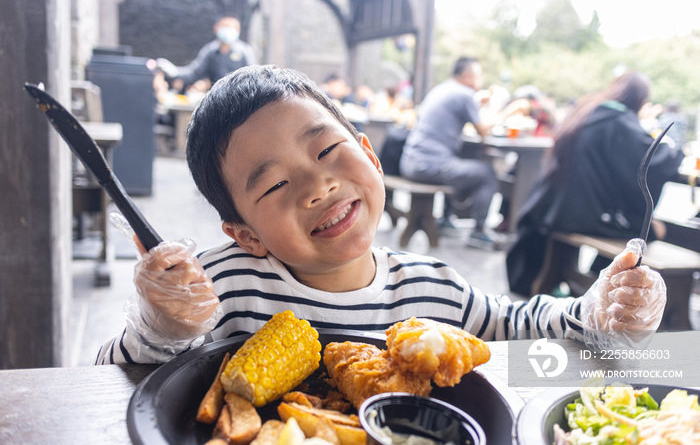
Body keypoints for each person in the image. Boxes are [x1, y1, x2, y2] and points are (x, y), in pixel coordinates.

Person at [94, 65, 666, 365]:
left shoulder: (434, 291)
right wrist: (163, 327)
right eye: (274, 184)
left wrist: (599, 313)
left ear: (369, 153)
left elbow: (518, 331)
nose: (318, 185)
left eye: (326, 151)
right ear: (244, 233)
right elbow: (109, 377)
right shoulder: (222, 290)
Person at [506, 71, 685, 296]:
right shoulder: (619, 121)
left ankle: (592, 281)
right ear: (639, 100)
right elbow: (653, 159)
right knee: (651, 229)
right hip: (577, 215)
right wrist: (673, 149)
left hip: (552, 208)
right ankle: (602, 285)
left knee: (641, 226)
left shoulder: (588, 110)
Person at [399, 57, 499, 248]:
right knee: (487, 174)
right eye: (478, 75)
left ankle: (446, 220)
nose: (480, 80)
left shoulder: (441, 89)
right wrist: (505, 109)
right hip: (428, 165)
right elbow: (484, 130)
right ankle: (478, 232)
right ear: (468, 76)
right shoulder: (465, 94)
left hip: (410, 162)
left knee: (459, 162)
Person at [156, 15, 257, 92]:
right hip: (217, 99)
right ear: (216, 28)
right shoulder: (210, 51)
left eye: (233, 27)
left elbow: (253, 78)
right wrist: (174, 71)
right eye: (225, 26)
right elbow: (194, 73)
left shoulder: (244, 51)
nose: (229, 30)